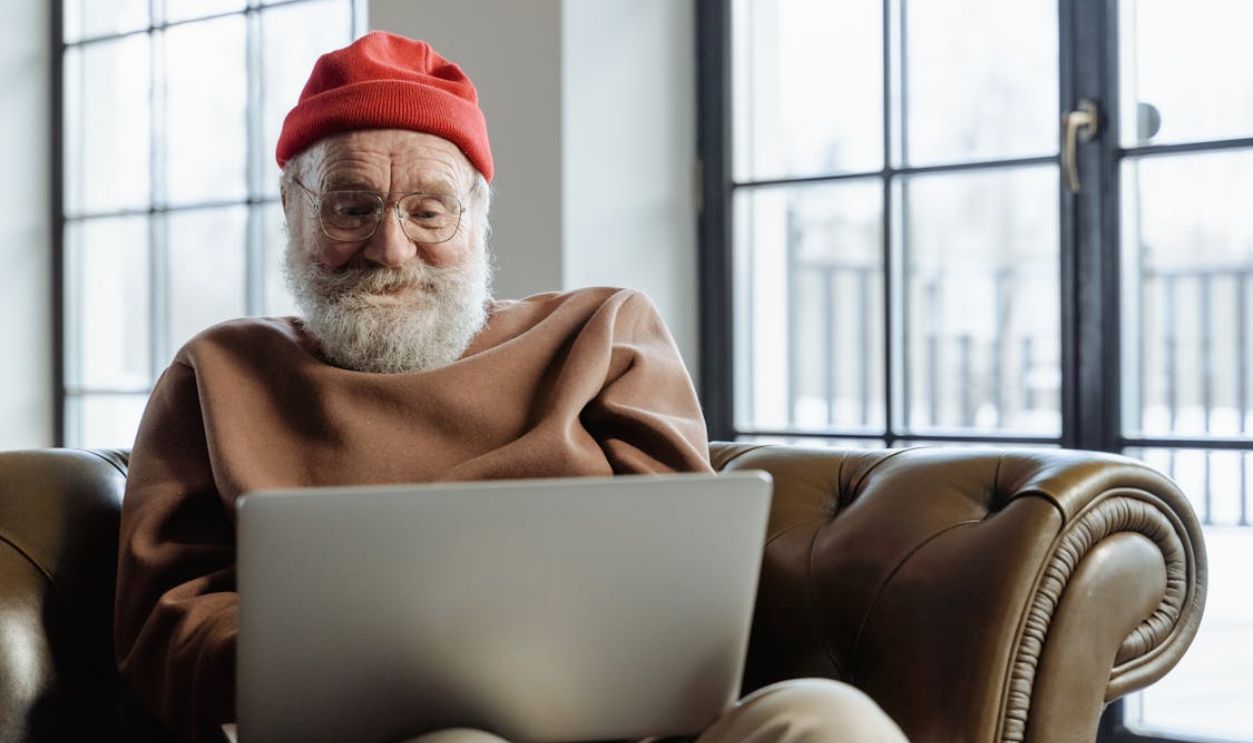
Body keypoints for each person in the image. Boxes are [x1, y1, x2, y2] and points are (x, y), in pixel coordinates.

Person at [113, 31, 908, 743]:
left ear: (478, 215)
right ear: (292, 209)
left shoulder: (604, 332)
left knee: (825, 717)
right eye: (351, 206)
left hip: (629, 730)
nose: (390, 247)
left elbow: (686, 581)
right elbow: (165, 631)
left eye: (428, 210)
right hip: (378, 736)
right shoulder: (215, 374)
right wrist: (353, 663)